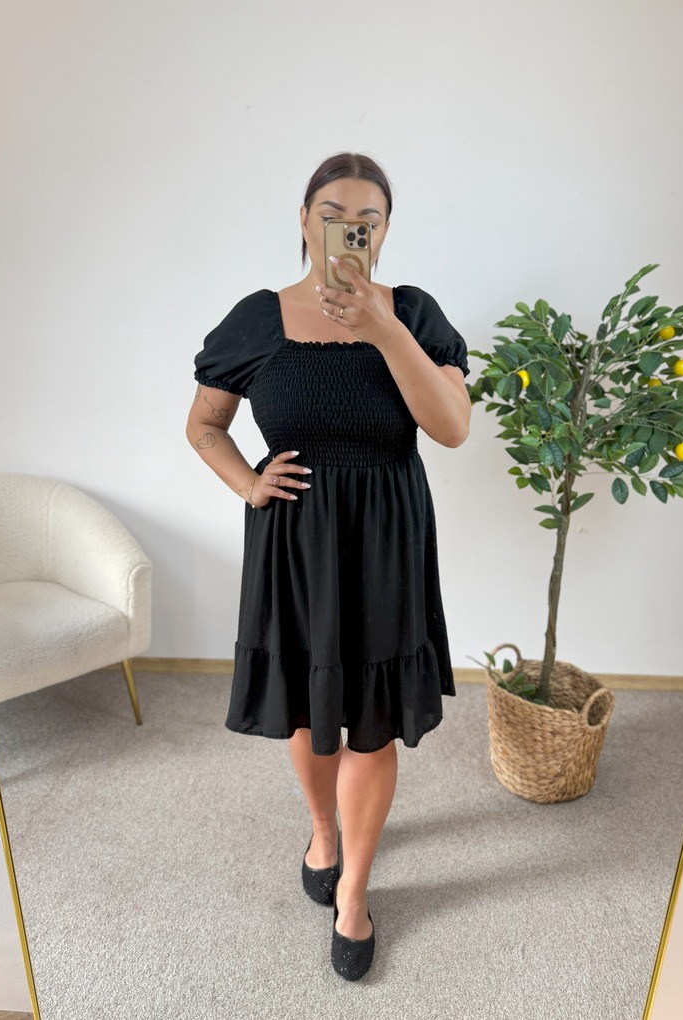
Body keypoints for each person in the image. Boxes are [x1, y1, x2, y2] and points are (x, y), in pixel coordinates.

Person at [187, 152, 471, 981]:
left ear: (384, 232)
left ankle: (353, 891)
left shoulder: (412, 313)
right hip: (295, 541)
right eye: (332, 214)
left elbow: (451, 427)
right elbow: (204, 424)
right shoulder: (257, 318)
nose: (349, 229)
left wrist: (383, 329)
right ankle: (322, 831)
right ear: (304, 220)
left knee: (370, 717)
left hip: (385, 539)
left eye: (366, 220)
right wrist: (247, 483)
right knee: (312, 714)